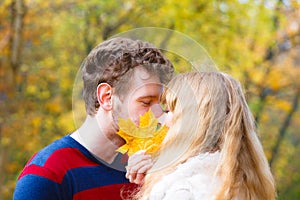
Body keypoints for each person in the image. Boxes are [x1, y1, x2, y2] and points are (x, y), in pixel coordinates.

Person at [13, 37, 174, 200]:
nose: (158, 113)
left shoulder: (146, 169)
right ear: (106, 97)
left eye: (159, 103)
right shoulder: (47, 175)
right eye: (146, 102)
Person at [128, 71, 276, 200]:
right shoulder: (238, 183)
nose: (164, 121)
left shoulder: (185, 190)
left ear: (189, 121)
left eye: (170, 111)